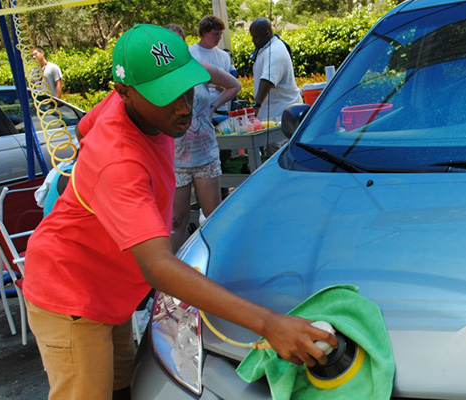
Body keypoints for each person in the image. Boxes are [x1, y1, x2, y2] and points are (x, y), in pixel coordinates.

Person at [22, 24, 336, 400]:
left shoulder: (135, 111)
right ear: (124, 93)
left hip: (112, 291)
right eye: (165, 96)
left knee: (124, 389)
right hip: (70, 293)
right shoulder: (118, 162)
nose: (183, 107)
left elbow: (88, 125)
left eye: (185, 88)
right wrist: (269, 323)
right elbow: (158, 267)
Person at [166, 24, 241, 251]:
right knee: (176, 220)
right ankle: (175, 274)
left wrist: (213, 107)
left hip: (205, 155)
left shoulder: (199, 69)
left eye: (178, 44)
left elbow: (234, 85)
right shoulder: (160, 79)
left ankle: (214, 264)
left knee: (212, 217)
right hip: (176, 159)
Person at [249, 18, 303, 121]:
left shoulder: (274, 51)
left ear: (267, 33)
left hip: (284, 117)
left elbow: (267, 80)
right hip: (275, 117)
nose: (253, 40)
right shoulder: (265, 49)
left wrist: (256, 106)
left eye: (255, 37)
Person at [189, 15, 235, 113]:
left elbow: (229, 86)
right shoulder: (189, 53)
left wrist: (217, 84)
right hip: (198, 111)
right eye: (216, 34)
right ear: (204, 33)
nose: (219, 37)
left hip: (220, 109)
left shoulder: (224, 55)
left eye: (221, 34)